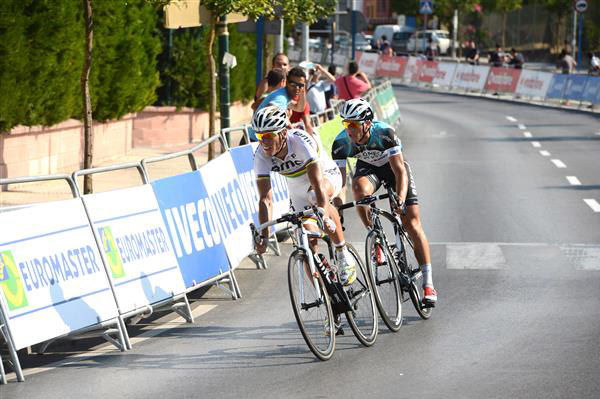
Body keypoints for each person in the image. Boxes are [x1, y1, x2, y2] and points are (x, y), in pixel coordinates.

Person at [331, 99, 437, 305]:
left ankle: (428, 283)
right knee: (359, 190)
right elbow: (339, 183)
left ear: (367, 123)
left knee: (412, 224)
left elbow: (399, 172)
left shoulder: (384, 133)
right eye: (345, 124)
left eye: (353, 124)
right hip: (370, 170)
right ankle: (376, 237)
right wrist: (337, 207)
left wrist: (400, 198)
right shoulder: (341, 143)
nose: (349, 129)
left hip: (394, 170)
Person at [252, 106, 356, 285]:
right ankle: (327, 294)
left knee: (315, 197)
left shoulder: (300, 143)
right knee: (304, 239)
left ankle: (341, 251)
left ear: (283, 133)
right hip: (297, 188)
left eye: (268, 136)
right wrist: (264, 235)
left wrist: (322, 212)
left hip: (325, 176)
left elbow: (317, 184)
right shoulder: (261, 155)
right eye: (260, 136)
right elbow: (265, 200)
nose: (264, 142)